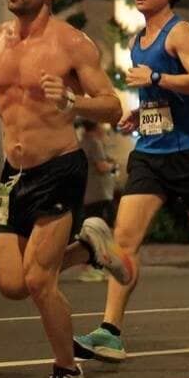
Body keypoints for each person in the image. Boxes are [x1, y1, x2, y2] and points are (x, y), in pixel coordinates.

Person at [0, 0, 133, 378]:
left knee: (38, 281)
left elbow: (112, 104)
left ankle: (67, 373)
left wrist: (73, 102)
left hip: (59, 169)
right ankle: (91, 248)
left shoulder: (72, 44)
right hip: (14, 175)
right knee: (11, 285)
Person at [74, 0, 189, 362]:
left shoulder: (180, 33)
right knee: (124, 241)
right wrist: (142, 113)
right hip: (150, 153)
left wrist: (156, 77)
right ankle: (110, 331)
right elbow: (163, 96)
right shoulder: (136, 42)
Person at [77, 120, 117, 281]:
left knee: (91, 230)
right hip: (99, 193)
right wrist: (112, 166)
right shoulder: (94, 143)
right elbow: (101, 167)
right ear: (97, 126)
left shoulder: (81, 142)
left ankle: (96, 266)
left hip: (88, 193)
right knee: (105, 230)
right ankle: (96, 266)